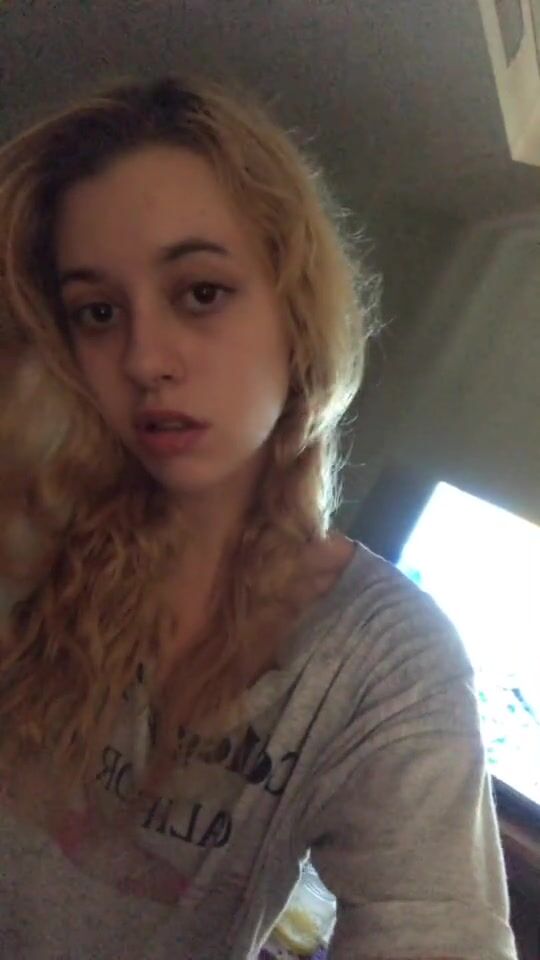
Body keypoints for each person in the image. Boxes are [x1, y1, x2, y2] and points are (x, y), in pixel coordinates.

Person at [0, 71, 517, 960]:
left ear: (294, 307)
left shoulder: (384, 665)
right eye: (98, 312)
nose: (144, 358)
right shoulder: (37, 531)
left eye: (200, 292)